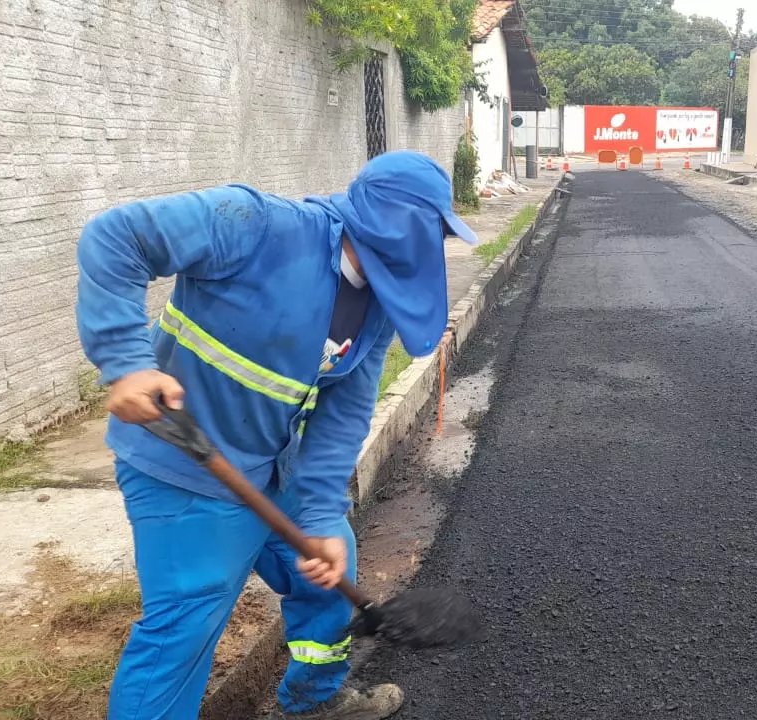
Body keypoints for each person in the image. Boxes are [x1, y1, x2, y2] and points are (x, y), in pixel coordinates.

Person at [75, 151, 478, 720]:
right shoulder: (257, 226)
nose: (434, 247)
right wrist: (125, 360)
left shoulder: (377, 305)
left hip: (272, 466)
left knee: (328, 569)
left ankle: (316, 698)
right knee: (185, 628)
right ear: (399, 223)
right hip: (185, 465)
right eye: (434, 229)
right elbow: (116, 237)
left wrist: (317, 518)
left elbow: (343, 416)